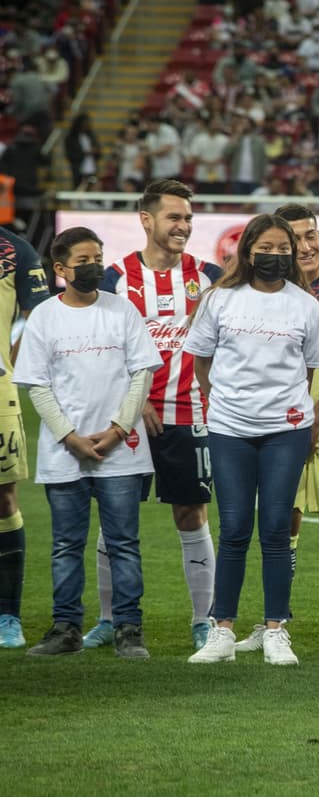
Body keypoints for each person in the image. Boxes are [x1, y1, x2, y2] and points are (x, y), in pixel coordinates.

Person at [186, 214, 319, 666]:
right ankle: (222, 630)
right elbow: (201, 362)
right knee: (233, 529)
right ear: (247, 251)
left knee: (275, 528)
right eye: (266, 248)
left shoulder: (306, 306)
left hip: (286, 430)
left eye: (284, 249)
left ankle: (275, 630)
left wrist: (291, 411)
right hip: (230, 429)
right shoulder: (219, 299)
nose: (276, 256)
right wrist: (223, 403)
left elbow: (308, 370)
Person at [15, 227, 161, 659]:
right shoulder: (44, 316)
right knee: (66, 545)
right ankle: (66, 629)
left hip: (122, 451)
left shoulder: (123, 309)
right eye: (84, 261)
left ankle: (129, 629)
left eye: (97, 258)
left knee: (124, 543)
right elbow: (37, 384)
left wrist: (117, 429)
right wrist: (70, 437)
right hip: (65, 453)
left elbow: (142, 373)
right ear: (61, 269)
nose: (94, 266)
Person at [232, 204, 319, 657]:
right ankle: (276, 623)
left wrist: (313, 416)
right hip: (279, 425)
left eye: (312, 235)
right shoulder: (267, 293)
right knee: (280, 521)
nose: (306, 246)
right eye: (296, 239)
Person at [93, 180, 222, 652]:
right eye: (174, 217)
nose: (183, 226)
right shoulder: (115, 278)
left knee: (191, 513)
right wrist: (136, 398)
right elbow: (102, 347)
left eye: (188, 218)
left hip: (190, 412)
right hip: (127, 416)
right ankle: (108, 619)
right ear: (146, 220)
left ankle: (204, 621)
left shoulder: (210, 277)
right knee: (116, 517)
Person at [0, 222, 49, 648]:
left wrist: (10, 368)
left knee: (3, 499)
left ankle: (7, 616)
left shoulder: (14, 251)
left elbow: (40, 320)